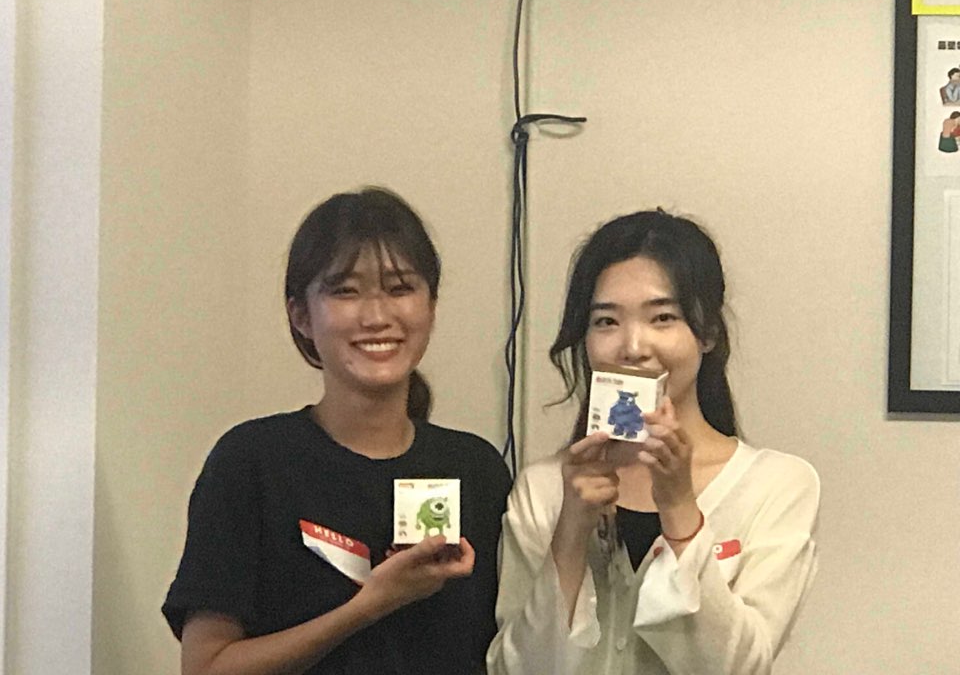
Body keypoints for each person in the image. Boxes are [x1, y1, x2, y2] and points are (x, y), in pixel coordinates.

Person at [163, 187, 512, 675]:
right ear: (300, 315)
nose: (377, 316)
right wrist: (370, 605)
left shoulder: (475, 469)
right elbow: (206, 666)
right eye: (345, 291)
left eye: (400, 288)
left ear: (431, 306)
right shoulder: (251, 463)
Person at [487, 209, 820, 674]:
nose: (633, 346)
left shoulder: (776, 485)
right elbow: (518, 669)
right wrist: (570, 532)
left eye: (662, 317)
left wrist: (680, 510)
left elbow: (738, 667)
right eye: (606, 321)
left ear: (707, 333)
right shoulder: (544, 487)